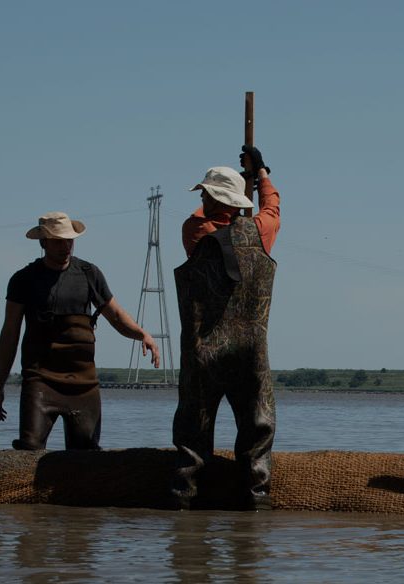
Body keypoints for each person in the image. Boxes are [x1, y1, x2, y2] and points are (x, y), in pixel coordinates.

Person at [0, 211, 159, 450]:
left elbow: (117, 316)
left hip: (83, 383)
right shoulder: (23, 280)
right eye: (58, 241)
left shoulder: (89, 274)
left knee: (86, 455)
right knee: (30, 446)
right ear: (43, 242)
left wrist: (143, 335)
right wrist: (0, 386)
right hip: (40, 380)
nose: (65, 246)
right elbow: (10, 333)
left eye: (69, 240)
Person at [171, 145, 280, 510]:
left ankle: (185, 501)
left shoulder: (194, 229)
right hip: (250, 352)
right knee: (258, 429)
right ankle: (256, 501)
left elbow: (205, 215)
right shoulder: (261, 231)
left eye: (204, 192)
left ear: (210, 197)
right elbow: (272, 210)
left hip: (204, 350)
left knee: (192, 435)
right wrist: (260, 173)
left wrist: (227, 195)